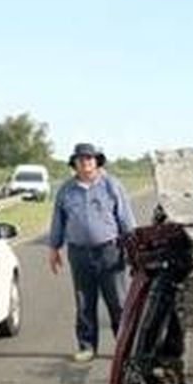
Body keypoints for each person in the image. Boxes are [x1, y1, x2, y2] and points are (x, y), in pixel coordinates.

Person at [48, 143, 137, 362]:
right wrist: (54, 248)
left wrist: (133, 246)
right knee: (84, 302)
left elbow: (125, 218)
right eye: (81, 159)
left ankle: (124, 347)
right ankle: (87, 346)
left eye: (89, 159)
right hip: (79, 253)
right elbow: (58, 220)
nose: (85, 163)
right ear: (75, 164)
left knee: (117, 302)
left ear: (96, 161)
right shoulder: (66, 189)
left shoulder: (111, 185)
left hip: (110, 250)